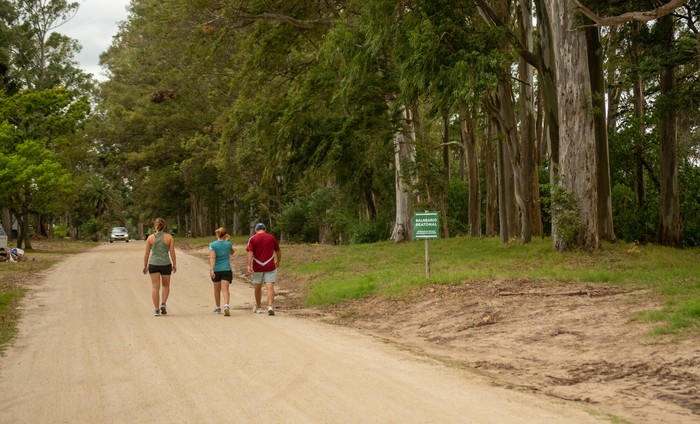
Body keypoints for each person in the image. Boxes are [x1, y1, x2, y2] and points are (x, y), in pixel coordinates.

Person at [143, 218, 177, 316]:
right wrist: (174, 264)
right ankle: (163, 303)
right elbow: (172, 252)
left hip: (153, 264)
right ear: (164, 226)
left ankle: (156, 309)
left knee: (155, 287)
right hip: (165, 264)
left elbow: (146, 253)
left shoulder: (150, 238)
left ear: (155, 226)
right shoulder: (169, 237)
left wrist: (145, 265)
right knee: (165, 286)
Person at [246, 222, 281, 315]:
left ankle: (258, 306)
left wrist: (249, 265)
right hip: (270, 265)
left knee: (258, 287)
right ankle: (270, 306)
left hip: (258, 266)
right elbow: (278, 251)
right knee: (270, 286)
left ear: (256, 230)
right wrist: (278, 261)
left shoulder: (252, 239)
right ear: (265, 229)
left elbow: (249, 252)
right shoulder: (271, 237)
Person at [209, 227, 234, 316]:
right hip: (226, 269)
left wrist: (211, 269)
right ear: (225, 235)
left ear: (217, 234)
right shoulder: (228, 244)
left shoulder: (212, 245)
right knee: (225, 289)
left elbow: (213, 257)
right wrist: (227, 241)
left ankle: (218, 307)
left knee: (216, 290)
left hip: (217, 269)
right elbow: (231, 253)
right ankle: (226, 305)